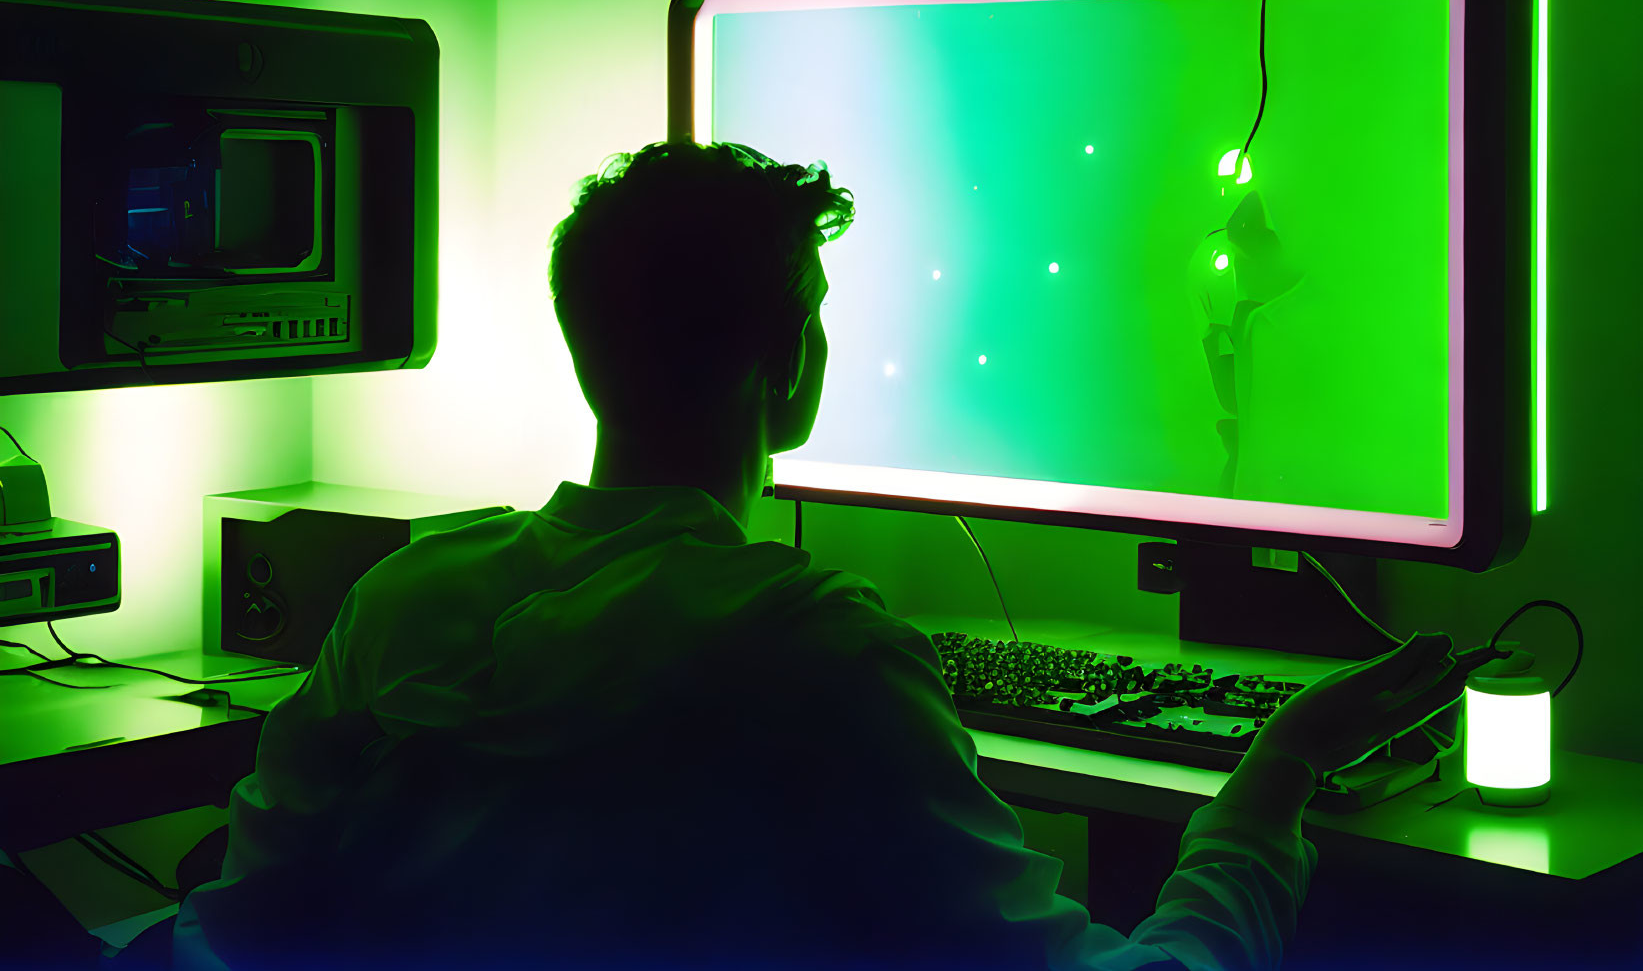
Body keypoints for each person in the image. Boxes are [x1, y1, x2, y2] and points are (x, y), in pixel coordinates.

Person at [171, 140, 1494, 971]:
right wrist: (1274, 778)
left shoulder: (403, 601)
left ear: (583, 351)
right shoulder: (816, 654)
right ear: (791, 366)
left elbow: (230, 930)